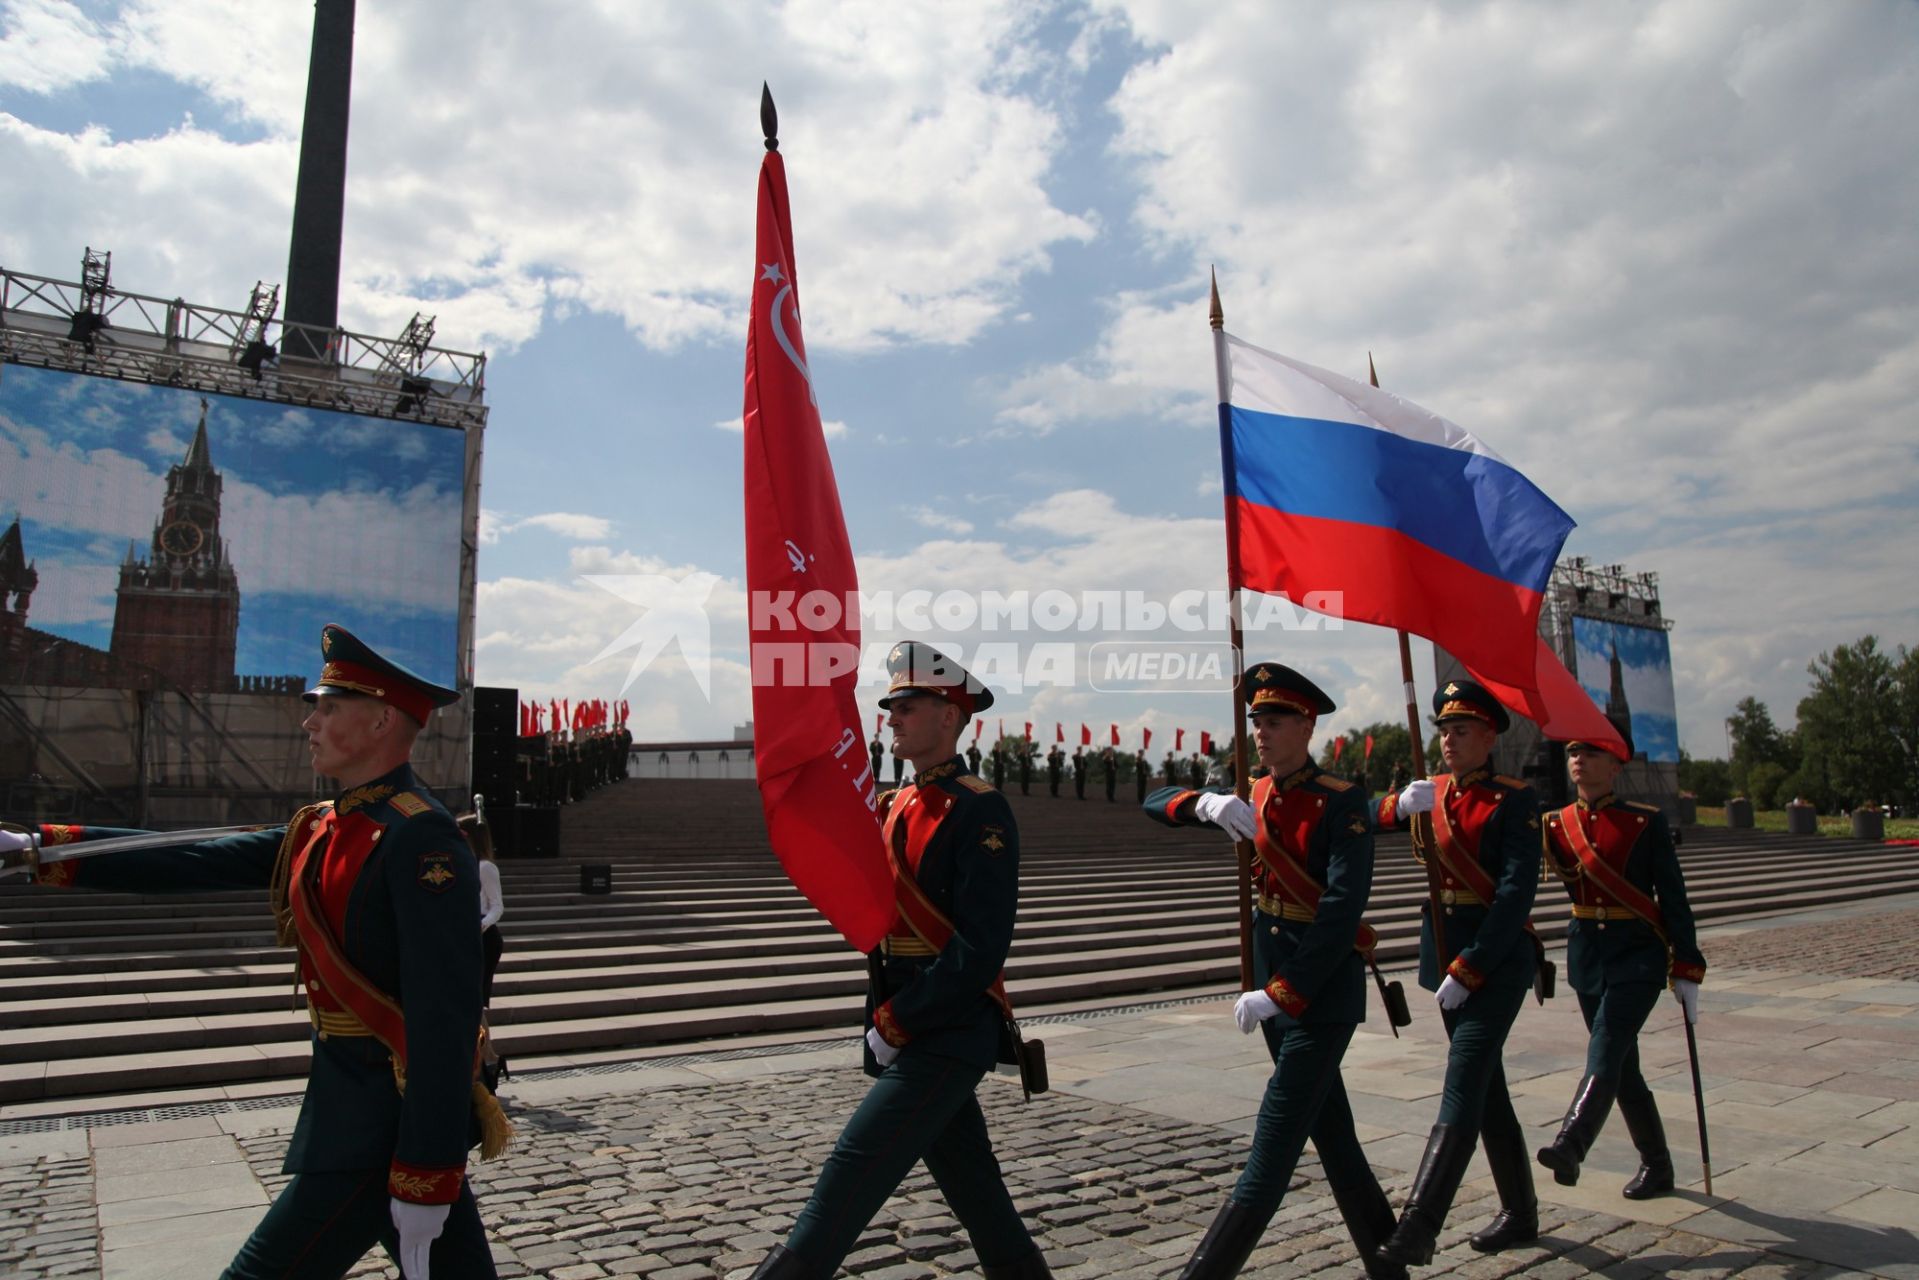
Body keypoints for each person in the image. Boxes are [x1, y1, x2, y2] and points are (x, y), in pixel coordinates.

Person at [0, 625, 507, 1280]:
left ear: (383, 721)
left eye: (327, 708)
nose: (310, 724)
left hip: (378, 1132)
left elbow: (442, 1017)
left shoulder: (419, 836)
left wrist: (427, 1174)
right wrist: (42, 847)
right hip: (357, 1111)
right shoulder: (325, 826)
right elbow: (195, 857)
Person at [749, 642, 1050, 1279]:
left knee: (849, 1174)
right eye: (892, 705)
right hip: (909, 1022)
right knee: (980, 1198)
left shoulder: (979, 808)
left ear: (950, 715)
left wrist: (898, 1022)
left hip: (949, 1026)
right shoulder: (889, 805)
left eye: (908, 706)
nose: (892, 716)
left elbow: (981, 947)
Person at [1141, 663, 1403, 1280]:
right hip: (1272, 988)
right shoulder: (1249, 793)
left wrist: (1280, 994)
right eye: (1256, 720)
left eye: (1275, 720)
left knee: (1273, 1146)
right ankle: (1393, 1261)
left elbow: (1340, 912)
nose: (1260, 731)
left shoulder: (1343, 802)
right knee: (1336, 1142)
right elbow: (1154, 801)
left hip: (1318, 993)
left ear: (1307, 725)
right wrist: (1201, 802)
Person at [1372, 680, 1541, 1266]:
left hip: (1493, 961)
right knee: (1487, 1093)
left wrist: (1471, 967)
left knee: (1465, 1078)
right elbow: (1359, 819)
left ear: (1489, 736)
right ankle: (1521, 1213)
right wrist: (1396, 804)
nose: (1447, 740)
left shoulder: (1515, 799)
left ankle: (1420, 1223)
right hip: (1443, 958)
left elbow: (1517, 893)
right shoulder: (1431, 792)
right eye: (1443, 730)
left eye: (1460, 730)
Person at [1538, 731, 1705, 1199]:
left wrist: (1687, 965)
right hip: (1588, 956)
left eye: (1590, 753)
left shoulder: (1643, 822)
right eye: (1573, 753)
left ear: (1616, 766)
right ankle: (1658, 1165)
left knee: (1607, 1047)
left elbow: (1673, 896)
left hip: (1637, 954)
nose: (1578, 760)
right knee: (1622, 1066)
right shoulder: (1555, 824)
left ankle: (1571, 1142)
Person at [458, 808, 509, 1092]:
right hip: (464, 935)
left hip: (483, 937)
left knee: (474, 1001)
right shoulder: (461, 864)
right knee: (471, 1002)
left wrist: (480, 925)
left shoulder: (485, 867)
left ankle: (487, 1062)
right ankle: (489, 1059)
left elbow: (497, 906)